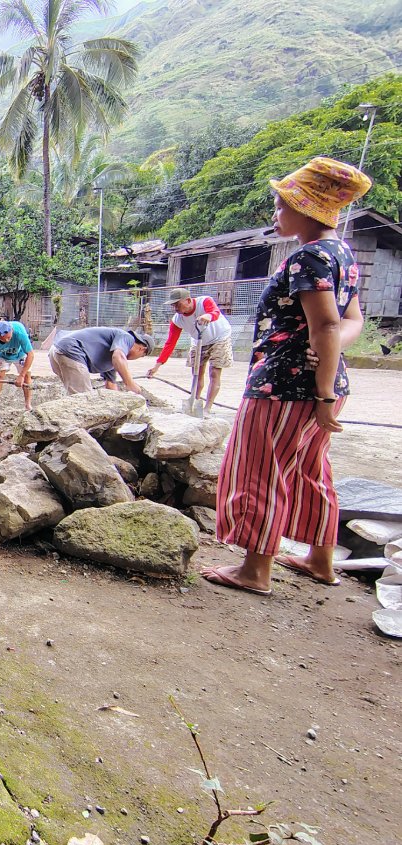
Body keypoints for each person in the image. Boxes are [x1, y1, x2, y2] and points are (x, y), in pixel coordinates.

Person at [202, 157, 371, 597]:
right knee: (311, 470)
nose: (276, 215)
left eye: (280, 206)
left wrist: (322, 387)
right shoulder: (344, 256)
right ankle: (320, 559)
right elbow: (351, 321)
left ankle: (254, 569)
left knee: (258, 468)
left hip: (284, 386)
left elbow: (330, 325)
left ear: (306, 207)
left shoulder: (308, 258)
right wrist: (328, 369)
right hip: (319, 385)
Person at [146, 287, 233, 416]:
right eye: (173, 305)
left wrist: (208, 315)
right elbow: (170, 343)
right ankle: (194, 402)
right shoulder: (177, 320)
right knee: (197, 373)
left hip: (219, 338)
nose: (175, 308)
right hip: (198, 340)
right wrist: (157, 365)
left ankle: (207, 408)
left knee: (214, 372)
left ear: (187, 300)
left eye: (177, 304)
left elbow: (215, 312)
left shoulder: (204, 302)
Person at [48, 327, 153, 395]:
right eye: (141, 356)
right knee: (83, 400)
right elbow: (119, 356)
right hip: (70, 350)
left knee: (75, 395)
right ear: (142, 349)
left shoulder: (111, 359)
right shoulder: (127, 337)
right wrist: (130, 384)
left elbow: (111, 385)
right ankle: (76, 429)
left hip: (57, 351)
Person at [0, 319, 36, 411]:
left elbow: (30, 354)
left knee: (27, 376)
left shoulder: (20, 332)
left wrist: (21, 375)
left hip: (20, 354)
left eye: (9, 338)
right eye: (3, 340)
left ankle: (28, 405)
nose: (7, 341)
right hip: (3, 355)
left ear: (12, 330)